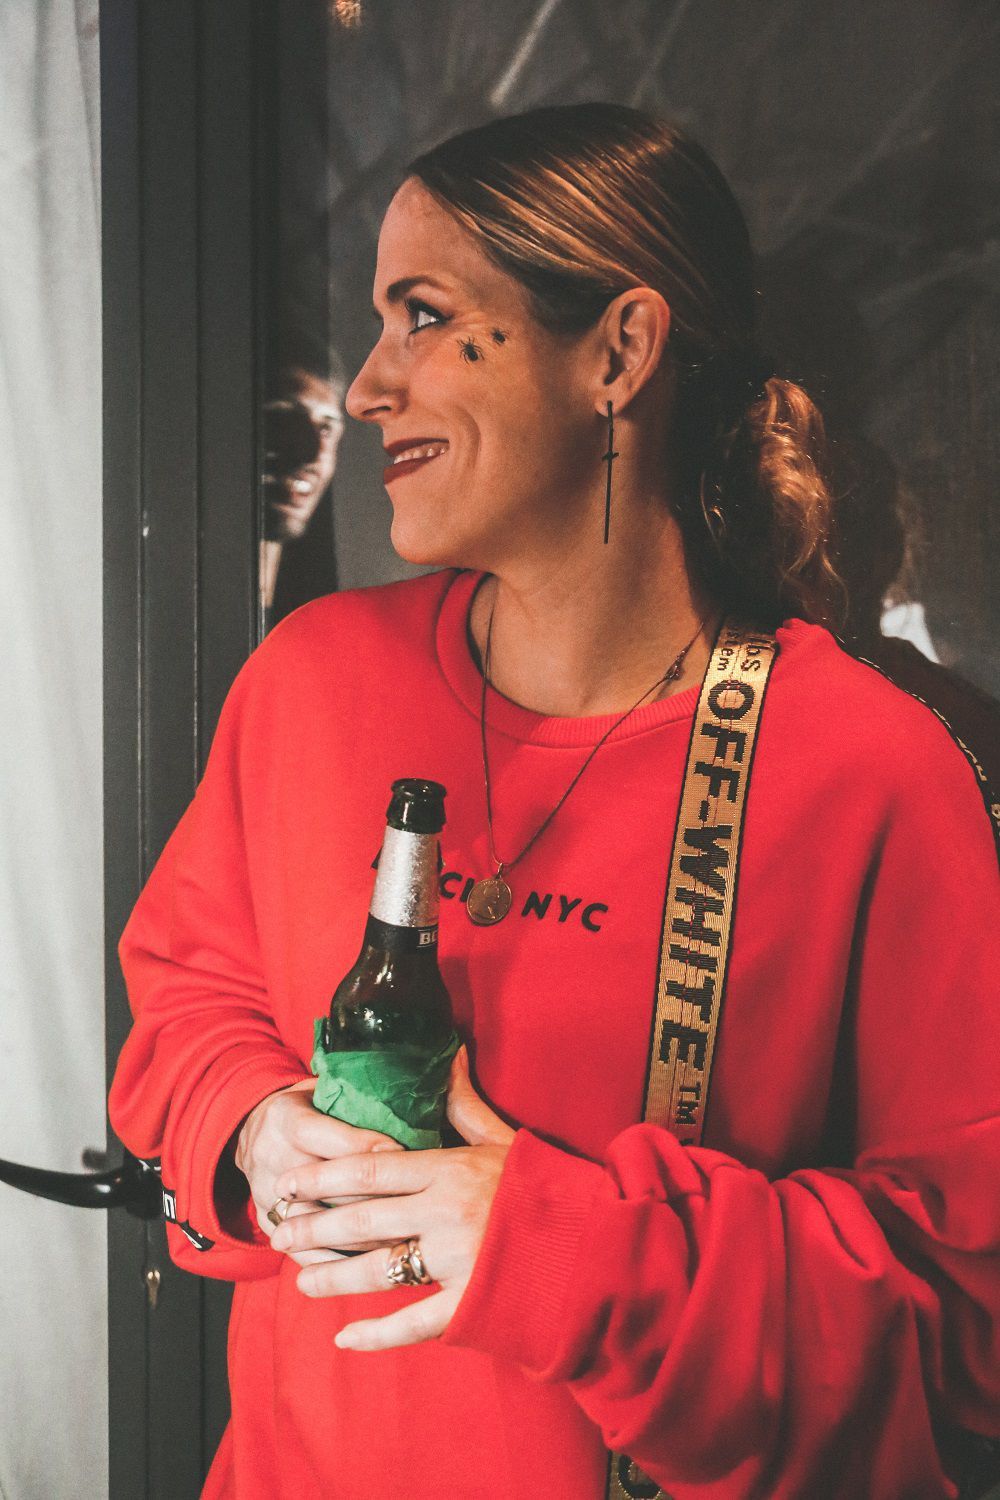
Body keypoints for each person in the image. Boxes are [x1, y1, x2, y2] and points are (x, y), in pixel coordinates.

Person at [108, 103, 1000, 1499]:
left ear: (619, 354)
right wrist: (253, 1122)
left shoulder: (865, 771)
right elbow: (187, 1001)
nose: (366, 387)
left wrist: (565, 1251)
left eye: (424, 317)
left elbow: (964, 1323)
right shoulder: (310, 682)